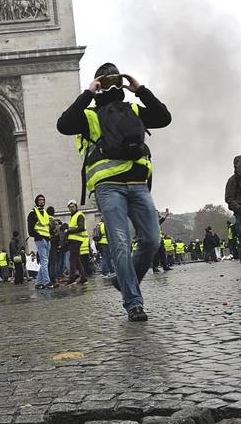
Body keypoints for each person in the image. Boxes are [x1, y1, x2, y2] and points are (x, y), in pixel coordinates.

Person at [57, 63, 171, 321]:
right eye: (104, 82)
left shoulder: (133, 109)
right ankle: (133, 302)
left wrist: (140, 89)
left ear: (121, 83)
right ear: (98, 84)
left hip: (139, 185)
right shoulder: (88, 116)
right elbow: (63, 124)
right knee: (119, 244)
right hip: (108, 187)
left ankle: (126, 281)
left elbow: (164, 118)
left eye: (114, 81)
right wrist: (88, 93)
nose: (110, 86)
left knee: (152, 240)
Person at [27, 194, 54, 290]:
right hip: (40, 240)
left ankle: (38, 283)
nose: (42, 201)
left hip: (47, 239)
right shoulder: (32, 213)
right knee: (44, 262)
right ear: (36, 201)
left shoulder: (46, 213)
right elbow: (30, 230)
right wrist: (39, 236)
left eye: (43, 200)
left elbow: (47, 226)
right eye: (40, 200)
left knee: (45, 262)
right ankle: (47, 282)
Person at [65, 200, 88, 284]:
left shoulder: (79, 215)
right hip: (74, 240)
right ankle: (83, 278)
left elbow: (81, 227)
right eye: (70, 207)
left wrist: (69, 230)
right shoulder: (73, 216)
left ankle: (72, 278)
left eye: (73, 206)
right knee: (77, 260)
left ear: (76, 207)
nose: (71, 208)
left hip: (76, 240)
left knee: (72, 260)